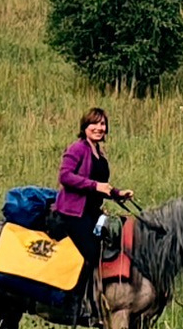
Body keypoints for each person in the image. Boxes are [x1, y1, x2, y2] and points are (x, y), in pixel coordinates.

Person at [52, 106, 130, 285]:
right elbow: (65, 176)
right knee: (92, 252)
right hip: (73, 214)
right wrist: (95, 186)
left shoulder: (100, 155)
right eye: (94, 123)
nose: (98, 127)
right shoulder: (77, 148)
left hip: (92, 213)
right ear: (85, 127)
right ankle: (74, 300)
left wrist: (118, 194)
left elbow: (99, 186)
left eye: (102, 124)